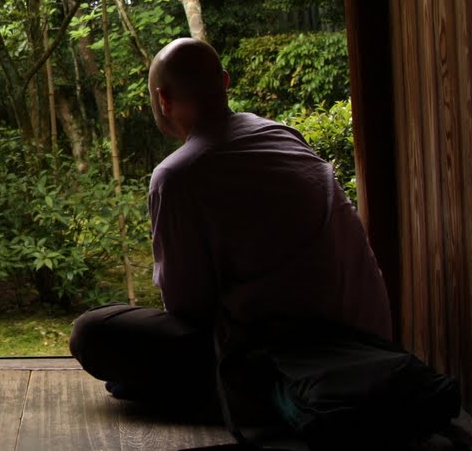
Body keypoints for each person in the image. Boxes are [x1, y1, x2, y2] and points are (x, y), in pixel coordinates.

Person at [69, 37, 392, 417]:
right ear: (224, 82)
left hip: (282, 355)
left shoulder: (176, 175)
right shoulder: (282, 134)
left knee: (93, 331)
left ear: (162, 99)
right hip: (369, 339)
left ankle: (243, 397)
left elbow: (186, 306)